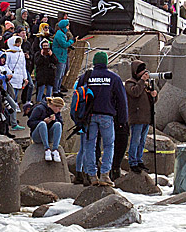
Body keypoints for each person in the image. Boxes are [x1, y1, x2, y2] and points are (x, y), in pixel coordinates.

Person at [81, 51, 128, 187]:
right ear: (106, 62)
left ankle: (92, 175)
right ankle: (105, 175)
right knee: (108, 145)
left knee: (90, 145)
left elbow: (77, 96)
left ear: (95, 62)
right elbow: (122, 101)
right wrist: (122, 120)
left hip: (89, 117)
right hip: (107, 116)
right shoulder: (113, 78)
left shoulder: (86, 76)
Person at [124, 59, 157, 173]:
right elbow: (135, 92)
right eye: (141, 71)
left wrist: (153, 95)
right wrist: (142, 81)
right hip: (136, 117)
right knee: (135, 140)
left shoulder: (145, 84)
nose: (143, 73)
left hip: (146, 117)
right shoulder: (130, 83)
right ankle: (133, 162)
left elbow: (152, 101)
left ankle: (139, 160)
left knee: (142, 141)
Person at [27, 96, 65, 162]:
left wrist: (54, 120)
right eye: (59, 108)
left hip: (49, 136)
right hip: (38, 136)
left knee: (58, 124)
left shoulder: (56, 113)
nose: (59, 110)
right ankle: (47, 149)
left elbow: (61, 124)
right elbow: (30, 123)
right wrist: (43, 121)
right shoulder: (39, 108)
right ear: (54, 106)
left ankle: (55, 149)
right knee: (42, 124)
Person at [51, 17, 75, 93]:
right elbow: (64, 44)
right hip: (59, 57)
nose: (68, 27)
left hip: (62, 56)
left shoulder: (63, 34)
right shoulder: (59, 34)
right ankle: (55, 91)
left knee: (61, 75)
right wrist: (71, 41)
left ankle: (58, 89)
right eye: (67, 26)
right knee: (58, 75)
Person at [34, 39, 59, 103]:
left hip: (50, 74)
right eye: (44, 46)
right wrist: (41, 56)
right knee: (41, 91)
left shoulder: (51, 53)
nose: (45, 47)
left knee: (49, 91)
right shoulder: (38, 53)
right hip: (41, 74)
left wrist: (51, 55)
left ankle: (49, 104)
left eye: (46, 46)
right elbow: (37, 62)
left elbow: (56, 61)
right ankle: (38, 103)